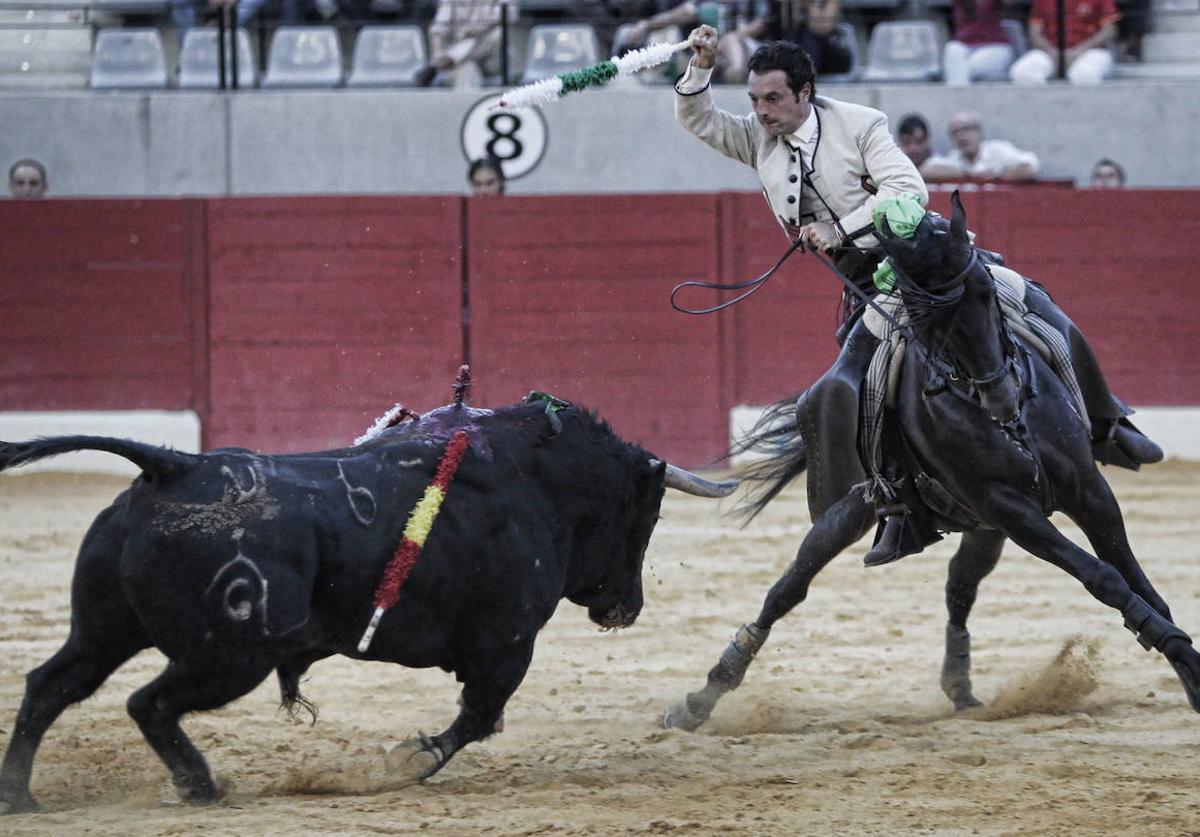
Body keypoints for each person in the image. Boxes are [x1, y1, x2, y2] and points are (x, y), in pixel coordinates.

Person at [676, 29, 927, 564]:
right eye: (754, 100)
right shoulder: (757, 137)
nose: (761, 112)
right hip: (863, 283)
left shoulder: (861, 124)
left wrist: (841, 230)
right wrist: (700, 68)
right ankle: (902, 509)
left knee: (1017, 300)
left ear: (805, 92)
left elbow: (909, 192)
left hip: (918, 257)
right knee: (863, 389)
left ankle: (1105, 417)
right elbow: (699, 120)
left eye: (773, 99)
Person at [719, 0, 851, 82]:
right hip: (774, 47)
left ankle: (731, 69)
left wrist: (806, 5)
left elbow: (823, 27)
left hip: (822, 51)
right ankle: (731, 70)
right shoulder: (775, 6)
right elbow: (774, 26)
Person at [1010, 0, 1119, 85]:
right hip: (1051, 52)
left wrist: (1078, 52)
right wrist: (1054, 53)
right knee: (1022, 73)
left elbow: (1109, 31)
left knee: (1084, 75)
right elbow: (1034, 33)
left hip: (1090, 51)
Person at [921, 112, 1039, 182]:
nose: (961, 136)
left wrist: (997, 176)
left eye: (966, 129)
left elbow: (1030, 167)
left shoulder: (998, 150)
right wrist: (970, 174)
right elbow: (925, 171)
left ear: (979, 132)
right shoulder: (955, 157)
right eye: (955, 132)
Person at [415, 0, 503, 88]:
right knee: (467, 70)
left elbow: (504, 15)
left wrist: (480, 28)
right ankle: (446, 60)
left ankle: (444, 62)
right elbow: (439, 27)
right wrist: (437, 53)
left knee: (498, 34)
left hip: (492, 59)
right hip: (462, 59)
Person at [942, 0, 1016, 85]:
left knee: (965, 68)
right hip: (966, 47)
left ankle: (963, 96)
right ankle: (959, 95)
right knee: (952, 48)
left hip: (995, 48)